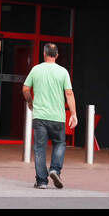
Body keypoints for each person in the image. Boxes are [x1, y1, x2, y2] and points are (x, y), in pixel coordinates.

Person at [22, 43, 78, 188]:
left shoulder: (36, 69)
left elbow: (26, 89)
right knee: (59, 143)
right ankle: (55, 169)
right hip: (57, 117)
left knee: (40, 148)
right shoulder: (63, 72)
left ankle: (41, 181)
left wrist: (30, 102)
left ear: (44, 54)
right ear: (57, 55)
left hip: (40, 117)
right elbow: (69, 93)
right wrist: (73, 113)